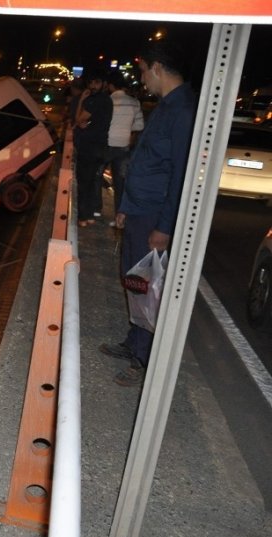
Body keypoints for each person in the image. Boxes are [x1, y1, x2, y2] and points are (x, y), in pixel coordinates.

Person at [100, 40, 196, 387]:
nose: (141, 78)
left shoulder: (184, 110)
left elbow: (180, 174)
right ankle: (135, 343)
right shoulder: (166, 105)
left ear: (157, 68)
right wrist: (125, 207)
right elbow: (144, 160)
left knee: (150, 287)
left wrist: (165, 227)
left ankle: (145, 360)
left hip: (155, 215)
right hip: (139, 210)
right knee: (136, 281)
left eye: (142, 71)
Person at [104, 72, 145, 226]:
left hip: (106, 145)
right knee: (120, 184)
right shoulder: (134, 103)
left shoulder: (107, 101)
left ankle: (93, 212)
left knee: (95, 177)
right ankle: (119, 218)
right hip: (123, 147)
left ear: (111, 86)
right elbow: (139, 126)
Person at [74, 68, 113, 227]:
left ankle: (83, 218)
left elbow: (79, 119)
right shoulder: (108, 100)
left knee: (84, 182)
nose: (93, 85)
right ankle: (90, 216)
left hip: (88, 147)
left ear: (103, 83)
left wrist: (81, 101)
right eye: (91, 82)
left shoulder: (92, 100)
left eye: (97, 82)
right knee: (92, 182)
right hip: (101, 146)